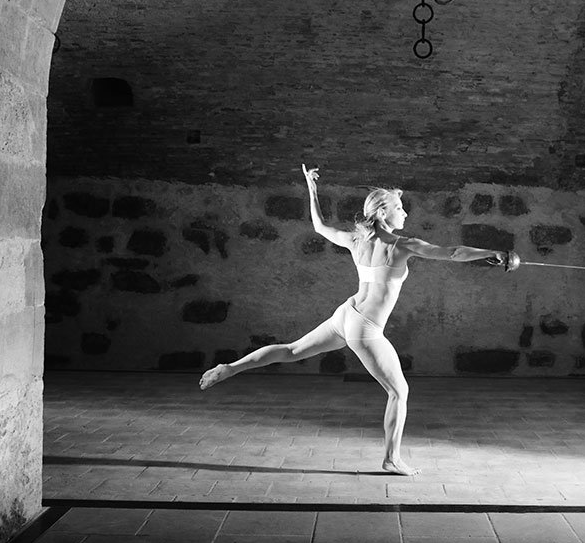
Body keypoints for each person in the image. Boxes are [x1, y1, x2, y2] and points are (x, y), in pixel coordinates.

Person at [200, 164, 514, 475]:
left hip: (346, 315)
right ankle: (391, 459)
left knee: (292, 350)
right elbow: (453, 253)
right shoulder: (402, 245)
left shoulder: (356, 240)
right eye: (399, 208)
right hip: (365, 328)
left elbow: (319, 226)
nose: (405, 213)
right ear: (382, 213)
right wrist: (493, 253)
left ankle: (230, 368)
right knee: (399, 392)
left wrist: (312, 188)